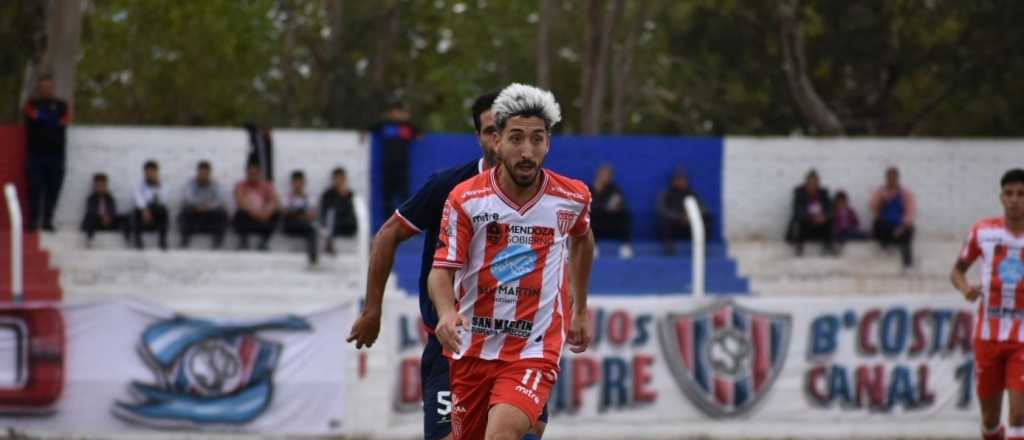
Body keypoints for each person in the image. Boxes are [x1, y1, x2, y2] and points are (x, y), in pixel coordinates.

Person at [347, 91, 552, 440]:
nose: (497, 141)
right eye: (489, 131)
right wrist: (372, 309)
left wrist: (575, 309)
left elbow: (576, 242)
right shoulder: (448, 186)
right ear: (483, 137)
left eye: (506, 132)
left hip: (516, 349)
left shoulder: (546, 195)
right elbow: (386, 236)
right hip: (452, 351)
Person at [428, 83, 593, 440]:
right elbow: (441, 270)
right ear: (496, 141)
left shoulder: (571, 197)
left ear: (548, 143)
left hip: (534, 349)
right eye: (516, 139)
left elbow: (583, 239)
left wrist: (579, 308)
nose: (527, 151)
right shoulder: (466, 198)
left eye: (537, 139)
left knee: (502, 432)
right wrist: (444, 311)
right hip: (472, 349)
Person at [950, 168, 1024, 440]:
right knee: (990, 420)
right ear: (1001, 198)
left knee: (1018, 415)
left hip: (1022, 339)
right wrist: (966, 288)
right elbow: (956, 271)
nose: (1015, 199)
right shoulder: (983, 232)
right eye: (1010, 194)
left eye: (1021, 194)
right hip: (987, 337)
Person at [22, 75, 71, 232]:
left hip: (56, 155)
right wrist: (49, 120)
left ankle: (47, 221)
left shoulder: (62, 105)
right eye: (43, 87)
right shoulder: (32, 104)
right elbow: (33, 115)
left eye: (49, 86)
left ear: (53, 88)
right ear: (39, 88)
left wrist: (44, 119)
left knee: (53, 188)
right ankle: (33, 221)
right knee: (34, 188)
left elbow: (63, 120)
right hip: (35, 154)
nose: (47, 89)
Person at [370, 103, 421, 221]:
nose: (397, 114)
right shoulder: (384, 125)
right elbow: (370, 129)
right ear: (391, 113)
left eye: (400, 112)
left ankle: (409, 223)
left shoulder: (408, 126)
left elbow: (420, 134)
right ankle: (387, 225)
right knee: (387, 198)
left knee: (405, 197)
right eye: (395, 112)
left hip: (402, 168)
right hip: (387, 167)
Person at [656, 168, 712, 255]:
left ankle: (702, 247)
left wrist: (690, 218)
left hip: (690, 223)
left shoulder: (691, 193)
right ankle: (669, 248)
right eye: (678, 179)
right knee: (664, 222)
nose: (681, 181)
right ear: (673, 181)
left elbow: (703, 208)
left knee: (708, 219)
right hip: (675, 223)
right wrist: (679, 217)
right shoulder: (667, 194)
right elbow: (661, 209)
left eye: (683, 179)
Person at [870, 167, 916, 269]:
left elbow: (910, 212)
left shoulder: (905, 194)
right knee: (878, 225)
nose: (891, 180)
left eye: (893, 178)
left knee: (909, 231)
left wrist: (902, 227)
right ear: (886, 178)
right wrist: (882, 200)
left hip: (899, 225)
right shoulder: (880, 192)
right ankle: (885, 247)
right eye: (889, 178)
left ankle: (907, 262)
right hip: (885, 225)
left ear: (897, 178)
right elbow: (873, 206)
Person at [179, 161, 228, 249]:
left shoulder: (215, 184)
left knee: (222, 212)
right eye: (202, 172)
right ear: (198, 172)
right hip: (195, 211)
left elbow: (220, 200)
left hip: (209, 213)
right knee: (184, 211)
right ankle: (184, 240)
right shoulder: (190, 183)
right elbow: (187, 198)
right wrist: (199, 205)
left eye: (206, 173)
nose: (204, 175)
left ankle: (217, 241)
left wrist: (208, 206)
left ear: (209, 173)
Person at [787, 169, 835, 256]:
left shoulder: (823, 193)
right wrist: (811, 217)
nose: (813, 185)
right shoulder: (799, 194)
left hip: (820, 225)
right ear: (806, 182)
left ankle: (828, 246)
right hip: (806, 225)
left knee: (830, 221)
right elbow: (797, 210)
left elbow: (830, 208)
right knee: (799, 221)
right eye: (810, 182)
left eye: (815, 182)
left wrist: (824, 216)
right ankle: (799, 247)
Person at [589, 163, 633, 259]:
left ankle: (625, 246)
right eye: (603, 175)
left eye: (608, 175)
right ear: (598, 175)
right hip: (595, 220)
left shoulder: (615, 190)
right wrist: (602, 207)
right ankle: (592, 246)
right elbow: (589, 206)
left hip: (611, 220)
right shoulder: (589, 189)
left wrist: (606, 208)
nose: (605, 177)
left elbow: (617, 203)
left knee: (625, 215)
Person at [233, 162, 280, 250]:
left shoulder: (267, 186)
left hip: (263, 217)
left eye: (255, 174)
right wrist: (253, 212)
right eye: (250, 174)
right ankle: (244, 240)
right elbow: (240, 202)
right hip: (248, 217)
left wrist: (267, 212)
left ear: (259, 174)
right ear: (247, 174)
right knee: (239, 214)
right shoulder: (240, 185)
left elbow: (275, 201)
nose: (252, 176)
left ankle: (264, 241)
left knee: (276, 214)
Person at [282, 170, 319, 265]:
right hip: (291, 225)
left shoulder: (309, 198)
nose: (298, 185)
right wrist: (299, 214)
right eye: (296, 182)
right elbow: (285, 212)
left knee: (312, 229)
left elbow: (312, 214)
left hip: (304, 225)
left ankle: (313, 258)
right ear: (292, 183)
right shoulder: (287, 198)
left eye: (300, 182)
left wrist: (301, 214)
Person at [318, 167, 358, 255]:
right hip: (333, 222)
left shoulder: (350, 194)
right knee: (331, 219)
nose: (338, 181)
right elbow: (325, 211)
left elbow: (351, 211)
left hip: (347, 223)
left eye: (341, 179)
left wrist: (343, 195)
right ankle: (330, 244)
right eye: (337, 179)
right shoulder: (328, 194)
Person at [80, 173, 128, 245]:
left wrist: (109, 217)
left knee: (123, 217)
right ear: (95, 186)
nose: (101, 188)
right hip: (97, 222)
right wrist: (102, 217)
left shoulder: (110, 198)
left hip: (109, 222)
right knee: (89, 217)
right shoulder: (91, 198)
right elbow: (91, 210)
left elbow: (113, 210)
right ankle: (89, 239)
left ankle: (127, 239)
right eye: (99, 186)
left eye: (103, 185)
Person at [131, 161, 169, 250]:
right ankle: (138, 241)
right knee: (136, 211)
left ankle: (162, 240)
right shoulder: (138, 185)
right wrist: (145, 210)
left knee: (163, 210)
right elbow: (138, 199)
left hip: (156, 214)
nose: (150, 175)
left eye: (152, 172)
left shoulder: (163, 186)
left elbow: (163, 200)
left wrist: (157, 187)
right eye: (148, 173)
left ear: (156, 172)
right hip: (143, 214)